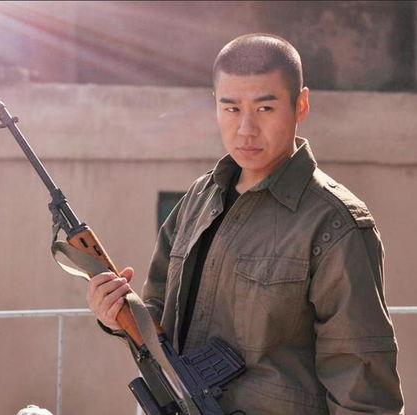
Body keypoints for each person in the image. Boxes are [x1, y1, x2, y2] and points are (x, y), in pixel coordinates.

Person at [87, 33, 404, 414]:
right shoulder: (199, 199)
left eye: (265, 108)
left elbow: (363, 387)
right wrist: (116, 313)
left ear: (301, 105)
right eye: (232, 108)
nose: (246, 129)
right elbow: (157, 314)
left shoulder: (335, 224)